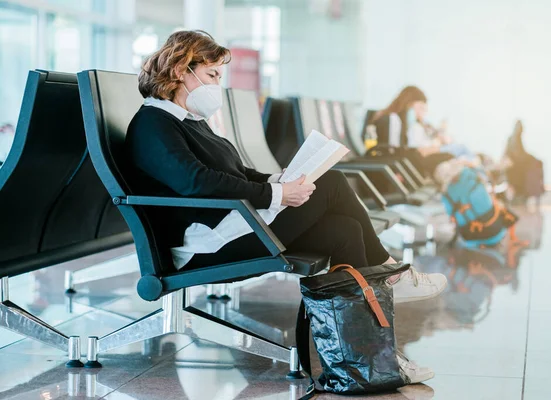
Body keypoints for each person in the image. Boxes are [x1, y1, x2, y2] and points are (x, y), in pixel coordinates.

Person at [126, 29, 444, 385]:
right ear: (183, 70)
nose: (217, 85)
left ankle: (371, 360)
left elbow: (237, 172)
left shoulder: (190, 122)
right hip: (210, 244)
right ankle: (390, 274)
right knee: (333, 183)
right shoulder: (153, 123)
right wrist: (278, 196)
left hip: (237, 225)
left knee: (345, 231)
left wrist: (278, 180)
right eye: (212, 75)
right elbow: (195, 182)